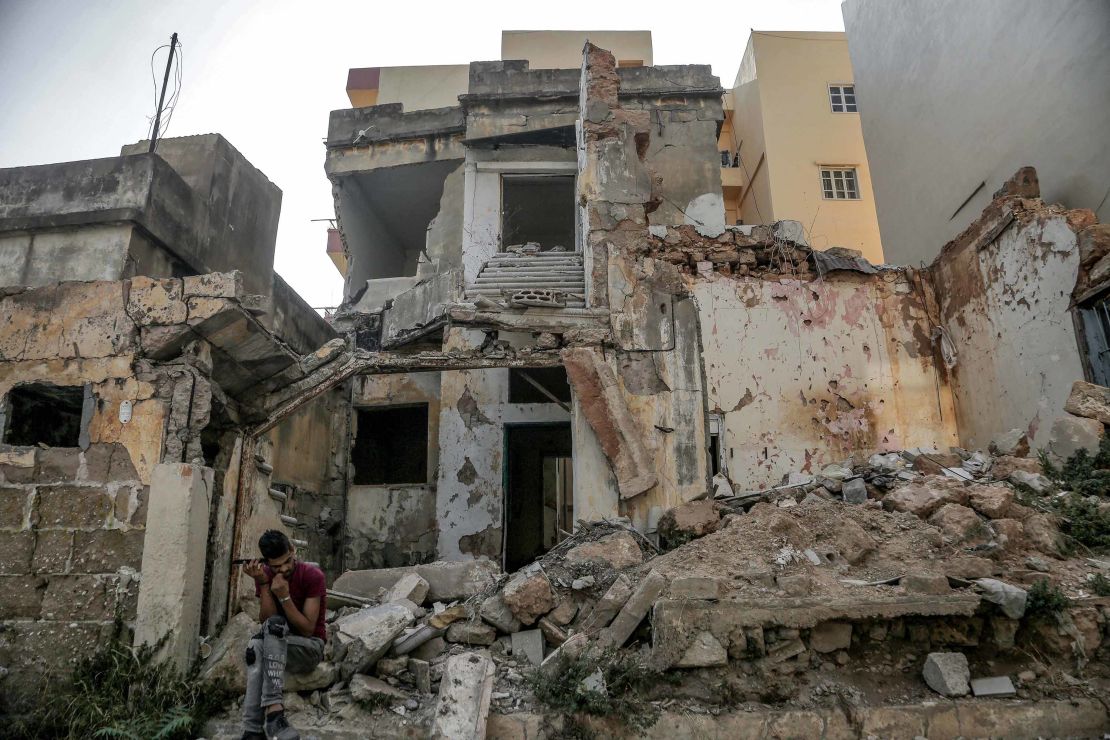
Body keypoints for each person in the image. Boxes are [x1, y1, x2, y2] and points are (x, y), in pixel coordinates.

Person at [240, 530, 327, 740]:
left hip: (309, 648)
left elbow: (307, 629)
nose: (284, 568)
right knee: (255, 645)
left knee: (273, 628)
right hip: (276, 646)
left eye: (287, 561)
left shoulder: (313, 576)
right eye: (276, 566)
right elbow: (266, 621)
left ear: (293, 550)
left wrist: (284, 596)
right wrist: (263, 583)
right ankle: (252, 732)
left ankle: (274, 713)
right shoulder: (267, 575)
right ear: (267, 563)